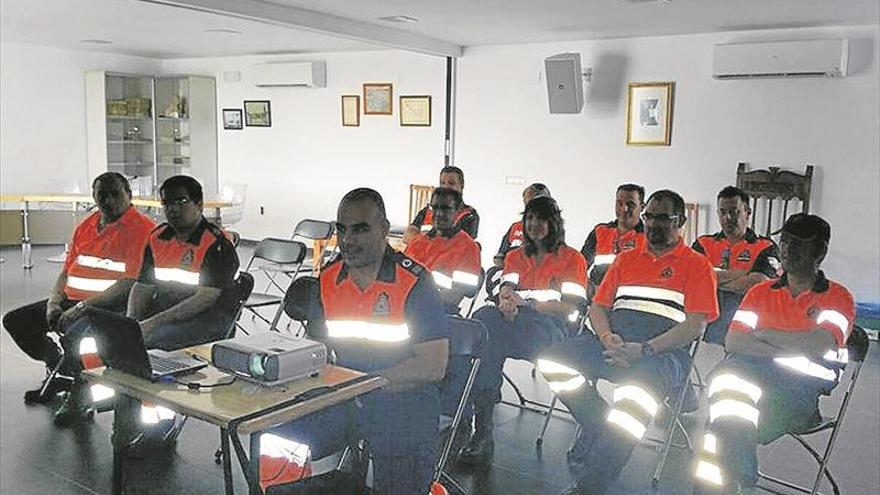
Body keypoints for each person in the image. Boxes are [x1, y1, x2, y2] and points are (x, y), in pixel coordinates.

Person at [268, 188, 449, 494]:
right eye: (342, 229)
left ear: (383, 229)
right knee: (276, 435)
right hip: (345, 398)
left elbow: (433, 367)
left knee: (396, 471)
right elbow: (317, 350)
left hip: (404, 401)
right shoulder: (328, 278)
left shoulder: (415, 282)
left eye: (360, 229)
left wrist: (366, 384)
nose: (348, 239)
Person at [537, 189, 718, 495]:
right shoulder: (627, 259)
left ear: (681, 221)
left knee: (631, 410)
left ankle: (591, 486)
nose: (654, 224)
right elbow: (598, 307)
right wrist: (606, 336)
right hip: (613, 343)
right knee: (552, 359)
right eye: (650, 217)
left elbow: (695, 325)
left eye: (664, 218)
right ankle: (597, 424)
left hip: (662, 356)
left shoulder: (697, 265)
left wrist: (646, 349)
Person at [59, 175, 241, 428]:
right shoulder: (158, 236)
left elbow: (205, 299)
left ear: (199, 205)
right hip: (164, 311)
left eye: (181, 201)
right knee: (102, 333)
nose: (173, 209)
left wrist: (151, 324)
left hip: (207, 319)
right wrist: (132, 320)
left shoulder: (216, 243)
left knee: (140, 345)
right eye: (167, 203)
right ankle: (103, 400)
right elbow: (142, 286)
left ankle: (149, 419)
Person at [693, 214, 854, 495]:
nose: (788, 249)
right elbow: (734, 341)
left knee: (723, 413)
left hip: (798, 394)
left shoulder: (837, 297)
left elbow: (819, 345)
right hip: (750, 382)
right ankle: (736, 481)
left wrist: (765, 335)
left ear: (821, 251)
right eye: (785, 241)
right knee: (728, 393)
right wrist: (792, 343)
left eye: (799, 243)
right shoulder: (760, 292)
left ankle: (731, 482)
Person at [2, 173, 154, 422]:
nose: (108, 200)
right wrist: (54, 302)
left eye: (115, 193)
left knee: (74, 335)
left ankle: (80, 397)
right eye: (101, 194)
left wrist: (81, 307)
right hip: (72, 301)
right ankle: (57, 365)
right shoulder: (87, 225)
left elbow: (129, 283)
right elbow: (67, 270)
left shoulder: (141, 228)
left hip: (108, 306)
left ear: (129, 195)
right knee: (16, 321)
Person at [459, 196, 588, 465]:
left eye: (540, 218)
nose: (534, 224)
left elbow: (571, 307)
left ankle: (481, 429)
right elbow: (507, 287)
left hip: (551, 326)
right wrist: (505, 301)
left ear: (554, 223)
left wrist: (528, 304)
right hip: (515, 319)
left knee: (491, 342)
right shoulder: (516, 255)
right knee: (483, 325)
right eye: (529, 218)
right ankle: (482, 430)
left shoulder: (572, 259)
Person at [693, 186, 780, 344]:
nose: (727, 217)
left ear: (747, 212)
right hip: (707, 317)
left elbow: (757, 284)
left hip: (745, 320)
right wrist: (741, 274)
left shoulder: (766, 247)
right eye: (722, 212)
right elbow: (692, 279)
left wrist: (712, 281)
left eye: (734, 211)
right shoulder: (703, 243)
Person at [405, 187, 482, 314]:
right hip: (405, 308)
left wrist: (418, 305)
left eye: (446, 208)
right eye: (435, 208)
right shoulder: (416, 242)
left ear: (457, 211)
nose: (439, 213)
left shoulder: (468, 247)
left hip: (439, 312)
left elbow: (458, 294)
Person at [580, 183, 647, 294]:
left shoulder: (649, 238)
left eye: (630, 204)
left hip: (629, 303)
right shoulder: (599, 232)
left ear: (642, 207)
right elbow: (581, 267)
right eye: (619, 203)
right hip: (598, 301)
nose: (624, 209)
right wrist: (590, 288)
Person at [404, 165, 479, 242]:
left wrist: (423, 240)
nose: (446, 187)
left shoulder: (469, 216)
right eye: (442, 183)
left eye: (451, 183)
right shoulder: (428, 211)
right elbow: (408, 236)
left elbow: (461, 246)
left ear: (462, 185)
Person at [493, 183, 551, 268]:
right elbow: (501, 254)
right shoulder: (515, 227)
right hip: (510, 271)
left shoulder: (551, 228)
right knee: (492, 273)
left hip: (535, 272)